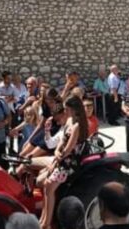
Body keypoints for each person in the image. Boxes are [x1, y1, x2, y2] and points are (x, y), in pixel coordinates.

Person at [40, 95, 89, 229]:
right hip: (62, 159)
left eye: (67, 109)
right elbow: (62, 142)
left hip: (70, 163)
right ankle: (43, 218)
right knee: (45, 184)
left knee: (49, 186)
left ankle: (46, 223)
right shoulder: (68, 122)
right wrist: (56, 153)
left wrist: (57, 158)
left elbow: (68, 150)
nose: (65, 111)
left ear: (74, 109)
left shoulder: (77, 126)